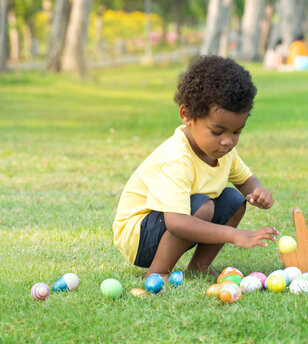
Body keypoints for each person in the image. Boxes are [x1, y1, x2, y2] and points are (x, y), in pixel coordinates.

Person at [112, 56, 279, 280]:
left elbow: (245, 180)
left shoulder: (223, 152)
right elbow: (177, 222)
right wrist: (234, 235)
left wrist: (257, 191)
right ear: (186, 115)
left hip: (173, 223)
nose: (228, 141)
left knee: (233, 200)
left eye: (236, 131)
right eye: (218, 131)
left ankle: (199, 267)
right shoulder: (177, 158)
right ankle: (158, 272)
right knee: (204, 207)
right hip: (138, 236)